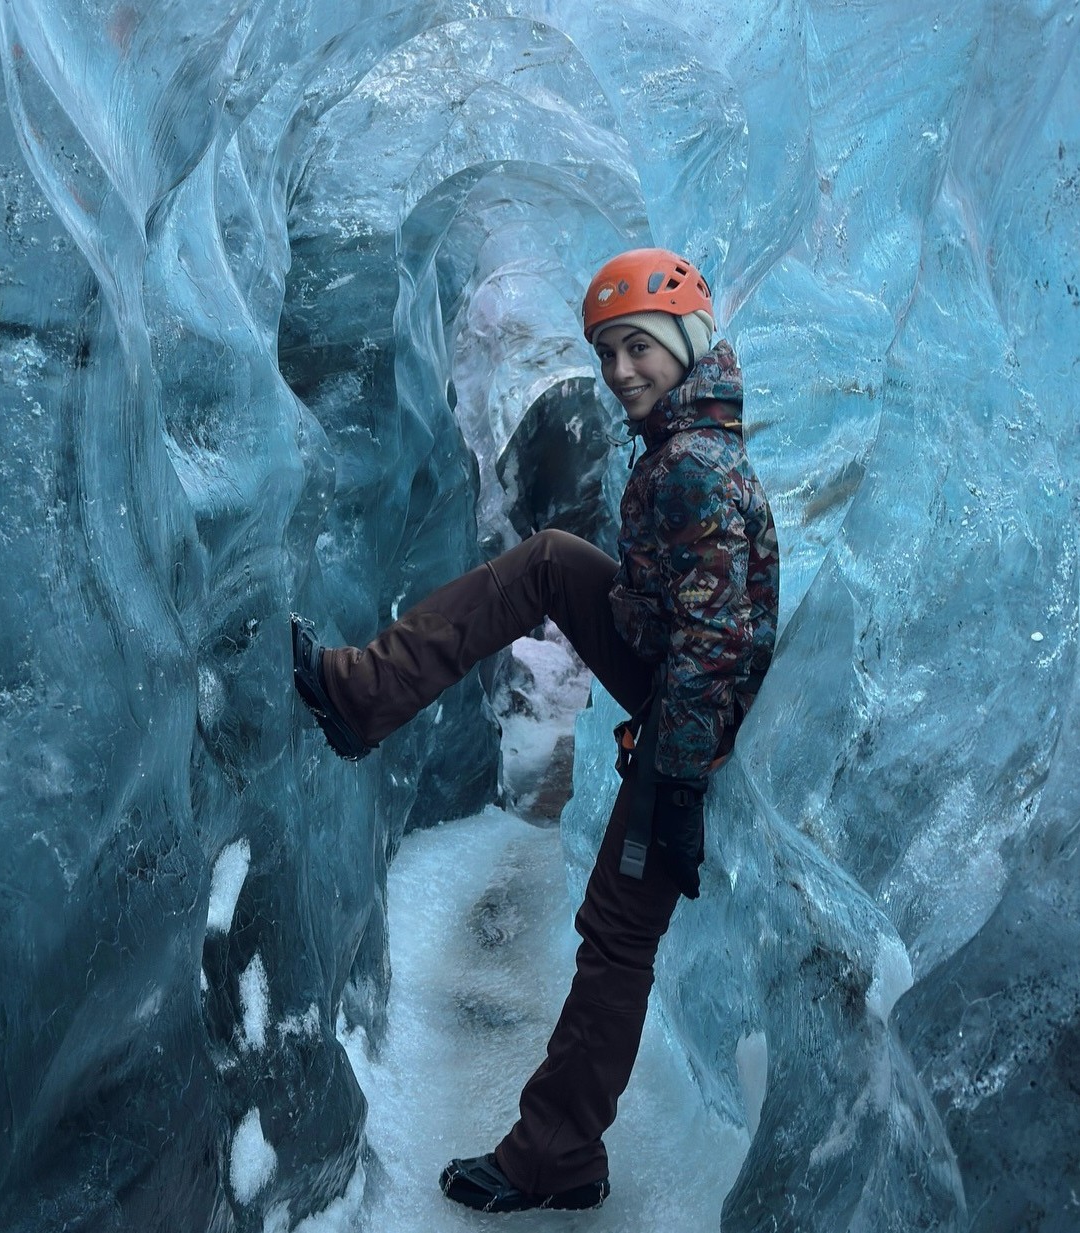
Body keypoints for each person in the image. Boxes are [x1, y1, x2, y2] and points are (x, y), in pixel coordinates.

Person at [291, 248, 779, 1213]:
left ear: (684, 345)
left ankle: (558, 1150)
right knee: (550, 559)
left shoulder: (693, 470)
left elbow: (715, 647)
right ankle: (364, 693)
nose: (621, 372)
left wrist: (674, 786)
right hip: (672, 682)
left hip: (689, 722)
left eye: (638, 348)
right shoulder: (687, 448)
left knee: (615, 938)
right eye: (607, 355)